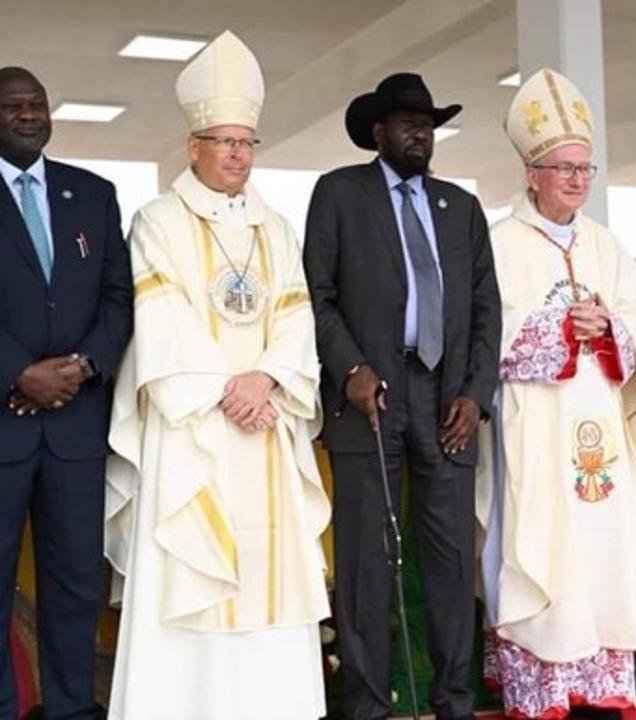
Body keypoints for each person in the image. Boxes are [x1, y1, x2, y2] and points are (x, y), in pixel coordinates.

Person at [104, 31, 331, 720]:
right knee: (191, 563)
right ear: (192, 145)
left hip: (265, 423)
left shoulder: (276, 228)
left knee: (271, 575)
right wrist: (224, 390)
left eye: (246, 142)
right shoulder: (157, 222)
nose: (236, 154)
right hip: (193, 430)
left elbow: (297, 316)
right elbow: (162, 318)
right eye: (223, 141)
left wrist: (267, 380)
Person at [303, 72, 501, 720]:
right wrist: (351, 367)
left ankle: (454, 702)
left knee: (449, 561)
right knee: (367, 559)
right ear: (378, 131)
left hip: (447, 399)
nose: (422, 133)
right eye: (409, 123)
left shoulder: (460, 207)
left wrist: (475, 395)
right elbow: (317, 295)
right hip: (371, 394)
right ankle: (366, 705)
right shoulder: (339, 194)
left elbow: (486, 310)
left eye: (429, 124)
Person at [477, 68, 636, 719]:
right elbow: (484, 327)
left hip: (598, 416)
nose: (578, 181)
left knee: (601, 541)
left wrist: (609, 327)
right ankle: (541, 684)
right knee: (543, 539)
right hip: (536, 420)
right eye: (564, 169)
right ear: (532, 173)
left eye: (585, 168)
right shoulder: (498, 244)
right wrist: (556, 328)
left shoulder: (605, 244)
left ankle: (599, 678)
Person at [0, 66, 133, 719]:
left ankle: (72, 710)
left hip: (76, 431)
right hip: (4, 424)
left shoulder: (93, 195)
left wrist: (81, 366)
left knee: (76, 586)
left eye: (37, 104)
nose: (28, 115)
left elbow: (119, 297)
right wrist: (18, 372)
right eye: (12, 106)